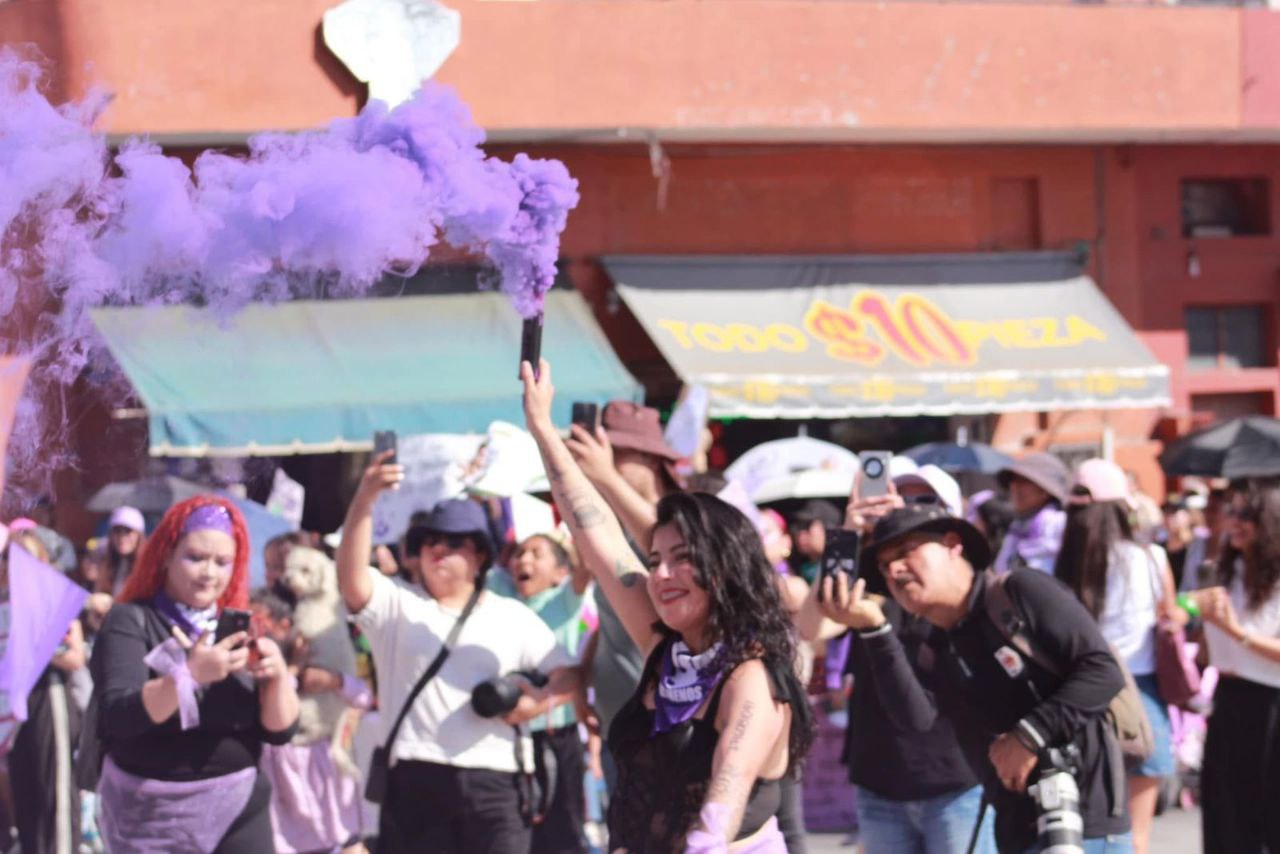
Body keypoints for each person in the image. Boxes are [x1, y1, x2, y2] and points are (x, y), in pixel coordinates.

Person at [523, 359, 813, 852]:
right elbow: (596, 535)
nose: (658, 575)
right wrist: (544, 432)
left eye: (682, 559)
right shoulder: (667, 647)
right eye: (654, 559)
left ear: (725, 570)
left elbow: (727, 792)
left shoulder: (751, 680)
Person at [820, 502, 1131, 853]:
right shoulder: (937, 646)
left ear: (954, 545)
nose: (895, 569)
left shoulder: (1021, 592)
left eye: (907, 551)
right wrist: (874, 630)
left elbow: (1103, 671)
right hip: (1016, 828)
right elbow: (915, 718)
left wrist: (1028, 736)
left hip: (1084, 821)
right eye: (884, 564)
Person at [335, 472, 580, 854]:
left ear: (480, 553)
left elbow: (572, 675)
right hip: (416, 779)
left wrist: (540, 701)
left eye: (453, 541)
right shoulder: (396, 602)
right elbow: (350, 578)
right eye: (430, 540)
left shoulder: (512, 616)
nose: (438, 549)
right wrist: (364, 500)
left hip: (497, 783)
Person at [90, 496, 300, 852]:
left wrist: (277, 677)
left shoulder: (240, 626)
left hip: (239, 812)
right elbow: (120, 717)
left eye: (222, 562)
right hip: (149, 818)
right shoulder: (128, 620)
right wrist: (188, 675)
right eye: (196, 558)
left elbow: (279, 732)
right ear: (167, 555)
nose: (209, 573)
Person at [804, 479, 995, 854]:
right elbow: (810, 628)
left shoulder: (972, 594)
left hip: (958, 783)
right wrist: (847, 534)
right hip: (881, 784)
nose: (906, 512)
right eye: (897, 503)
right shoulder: (876, 584)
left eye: (921, 501)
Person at [1052, 459, 1182, 854]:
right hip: (1138, 703)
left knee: (1081, 834)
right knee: (1135, 836)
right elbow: (1170, 617)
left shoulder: (1057, 569)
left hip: (1075, 704)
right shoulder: (1150, 559)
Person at [558, 400, 681, 789]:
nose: (599, 461)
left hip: (675, 723)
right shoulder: (607, 524)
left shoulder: (685, 526)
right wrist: (584, 671)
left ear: (649, 458)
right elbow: (617, 613)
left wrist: (605, 476)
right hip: (617, 722)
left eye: (615, 452)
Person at [1192, 483, 1280, 854]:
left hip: (1272, 705)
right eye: (1233, 513)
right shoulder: (1221, 572)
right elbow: (1206, 655)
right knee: (1226, 819)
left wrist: (1235, 631)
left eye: (1246, 515)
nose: (1235, 523)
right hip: (1228, 700)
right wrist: (1203, 622)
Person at [4, 528, 88, 854]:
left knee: (53, 794)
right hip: (13, 708)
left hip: (47, 702)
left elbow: (75, 657)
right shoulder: (4, 601)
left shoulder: (52, 600)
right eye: (10, 556)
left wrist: (37, 646)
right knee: (25, 792)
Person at [508, 533, 592, 854]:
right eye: (519, 553)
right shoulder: (503, 606)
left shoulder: (565, 599)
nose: (524, 560)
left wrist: (570, 541)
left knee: (564, 831)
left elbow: (586, 567)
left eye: (537, 553)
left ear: (561, 572)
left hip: (555, 738)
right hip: (516, 741)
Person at [994, 452, 1070, 574]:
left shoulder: (1058, 525)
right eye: (1013, 481)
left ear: (1045, 490)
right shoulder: (1017, 526)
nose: (1014, 487)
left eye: (1023, 481)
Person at [788, 500, 842, 584]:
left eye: (807, 526)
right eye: (798, 526)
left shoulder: (841, 571)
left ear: (829, 530)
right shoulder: (792, 568)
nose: (801, 533)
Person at [98, 505, 146, 597]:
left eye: (128, 531)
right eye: (117, 531)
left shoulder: (147, 567)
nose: (122, 537)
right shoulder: (107, 563)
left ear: (139, 536)